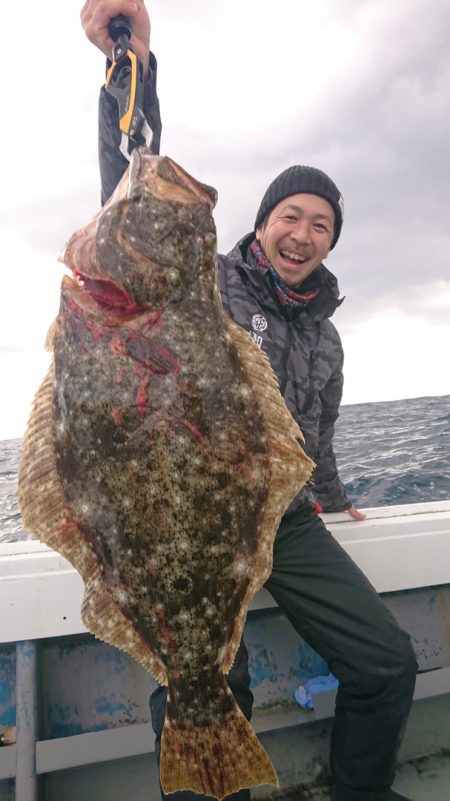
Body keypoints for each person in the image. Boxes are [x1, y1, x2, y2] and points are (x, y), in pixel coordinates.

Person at [81, 3, 418, 800]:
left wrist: (334, 498)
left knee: (387, 661)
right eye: (290, 216)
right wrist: (136, 69)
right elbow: (133, 193)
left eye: (321, 225)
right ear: (262, 225)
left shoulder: (328, 341)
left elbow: (318, 436)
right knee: (198, 679)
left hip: (286, 517)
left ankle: (359, 792)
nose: (303, 233)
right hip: (189, 516)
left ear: (331, 242)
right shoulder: (204, 286)